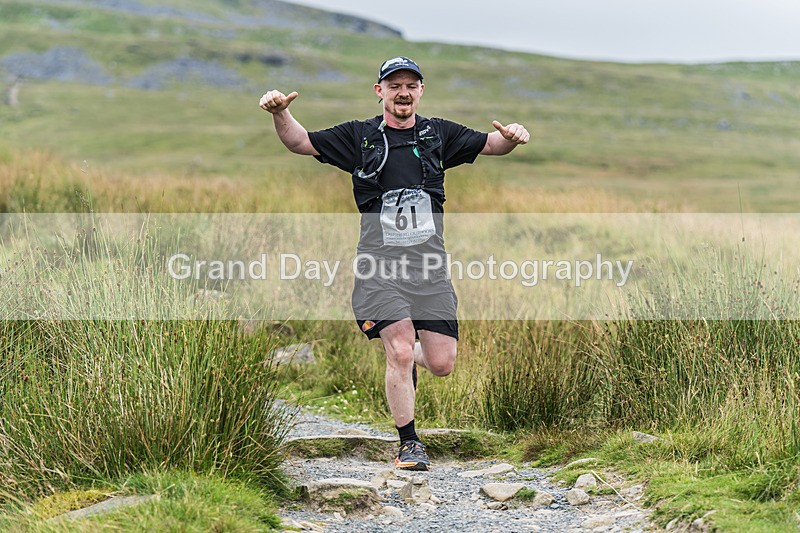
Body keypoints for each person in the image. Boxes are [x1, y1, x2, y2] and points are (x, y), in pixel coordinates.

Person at [259, 56, 529, 471]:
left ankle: (404, 357)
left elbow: (495, 146)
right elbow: (299, 142)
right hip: (378, 268)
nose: (403, 92)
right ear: (379, 91)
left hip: (429, 271)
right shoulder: (359, 136)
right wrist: (281, 113)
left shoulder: (438, 134)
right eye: (394, 85)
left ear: (421, 91)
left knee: (441, 364)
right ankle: (409, 443)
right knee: (401, 350)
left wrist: (513, 136)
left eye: (411, 85)